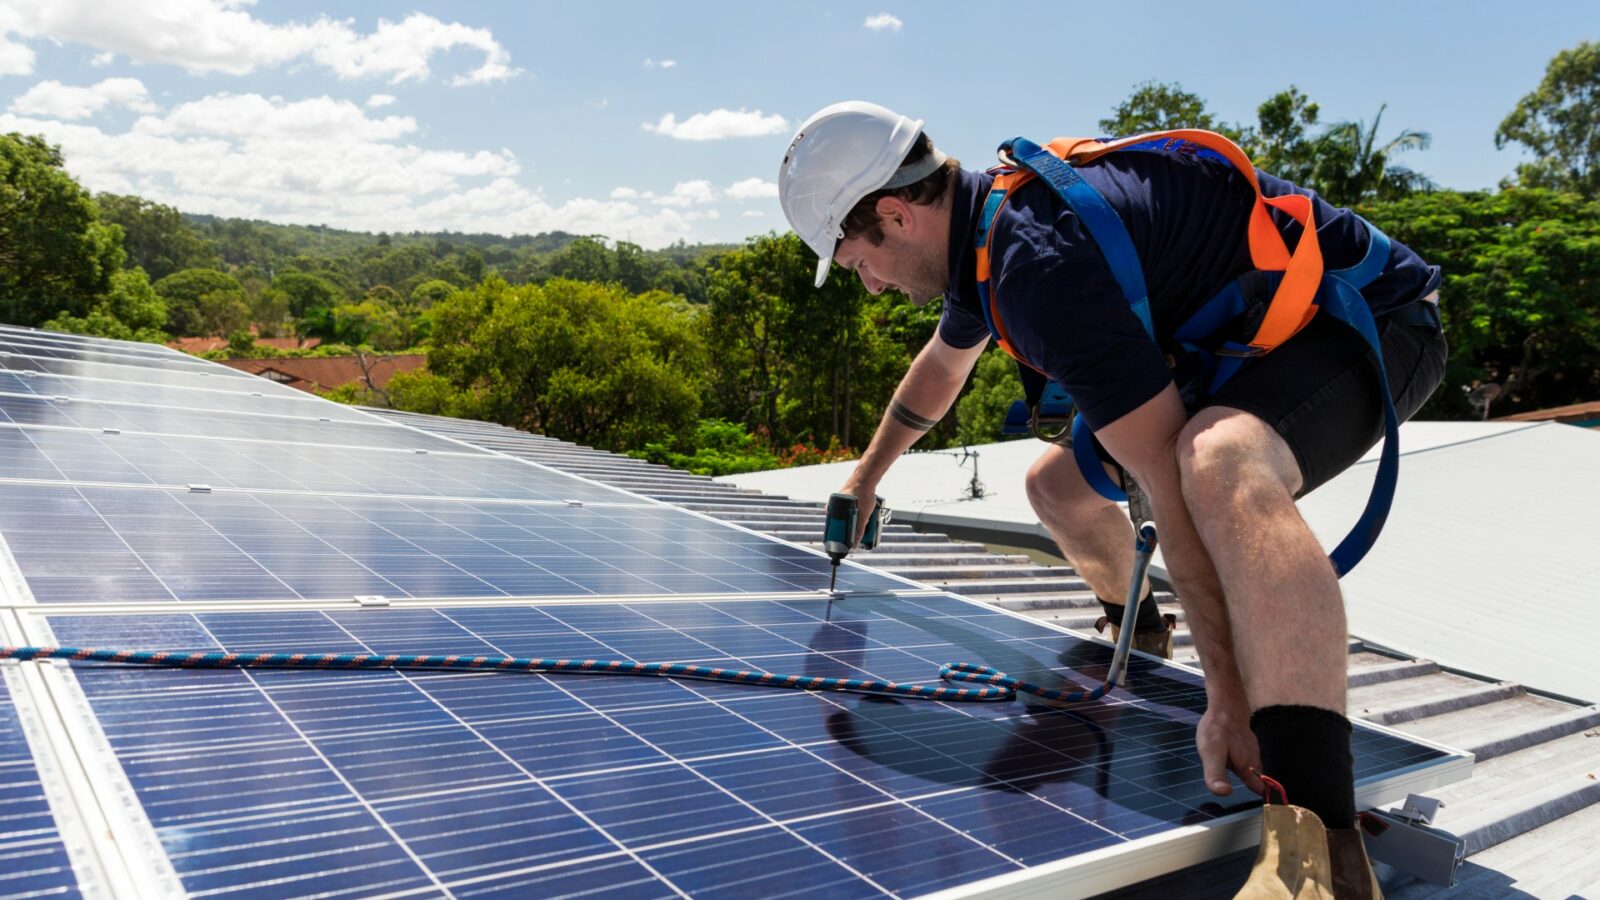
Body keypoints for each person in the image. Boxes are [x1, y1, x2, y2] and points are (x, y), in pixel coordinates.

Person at [778, 101, 1447, 898]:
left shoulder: (1039, 264)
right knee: (1054, 486)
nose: (873, 285)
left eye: (859, 263)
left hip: (1367, 323)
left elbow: (1166, 479)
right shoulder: (981, 243)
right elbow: (941, 370)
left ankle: (1319, 853)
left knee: (1216, 463)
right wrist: (864, 477)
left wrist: (1229, 697)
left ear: (895, 214)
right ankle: (1140, 634)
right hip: (1242, 347)